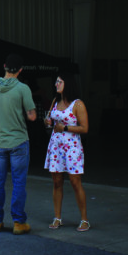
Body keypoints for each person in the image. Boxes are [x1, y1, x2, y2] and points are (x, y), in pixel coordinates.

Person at [0, 53, 36, 235]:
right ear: (20, 70)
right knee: (18, 182)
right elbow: (32, 116)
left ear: (5, 67)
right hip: (19, 142)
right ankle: (18, 222)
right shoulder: (23, 89)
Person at [44, 73, 90, 232]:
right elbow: (50, 119)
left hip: (71, 147)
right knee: (56, 181)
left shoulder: (77, 104)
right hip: (56, 145)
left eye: (59, 81)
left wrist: (64, 128)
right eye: (56, 81)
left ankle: (84, 219)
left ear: (67, 84)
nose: (56, 84)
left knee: (75, 181)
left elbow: (84, 128)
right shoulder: (55, 102)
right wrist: (48, 122)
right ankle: (57, 217)